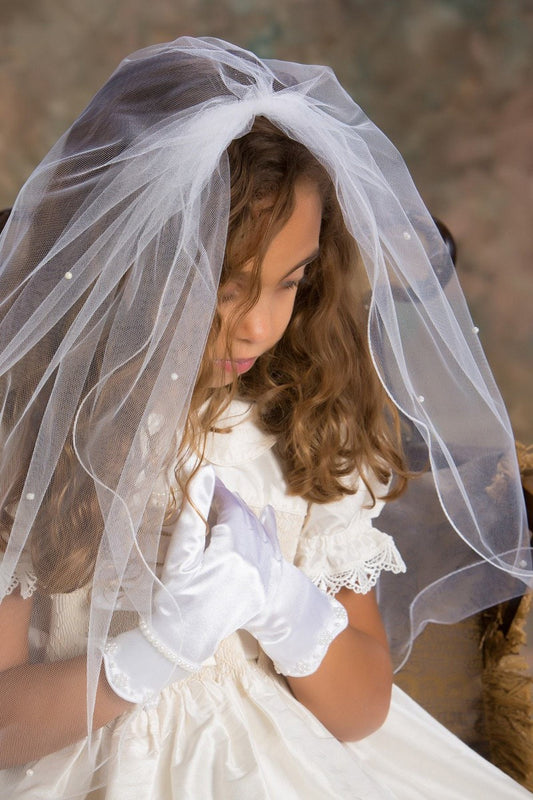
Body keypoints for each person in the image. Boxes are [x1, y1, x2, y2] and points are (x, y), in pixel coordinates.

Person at [0, 37, 530, 799]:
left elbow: (360, 710)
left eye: (289, 282)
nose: (257, 325)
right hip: (85, 764)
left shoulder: (306, 426)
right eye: (227, 286)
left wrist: (283, 605)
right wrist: (151, 654)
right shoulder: (35, 431)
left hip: (290, 762)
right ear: (138, 268)